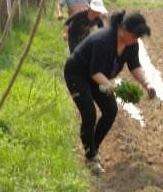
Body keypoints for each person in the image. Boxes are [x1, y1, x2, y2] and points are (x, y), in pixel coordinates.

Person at [64, 11, 156, 174]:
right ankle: (90, 157)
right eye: (135, 36)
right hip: (77, 73)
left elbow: (134, 66)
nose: (136, 40)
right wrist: (116, 88)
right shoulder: (104, 40)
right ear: (123, 29)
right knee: (89, 113)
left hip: (98, 76)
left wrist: (147, 84)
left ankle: (93, 149)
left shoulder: (131, 44)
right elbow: (95, 71)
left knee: (110, 110)